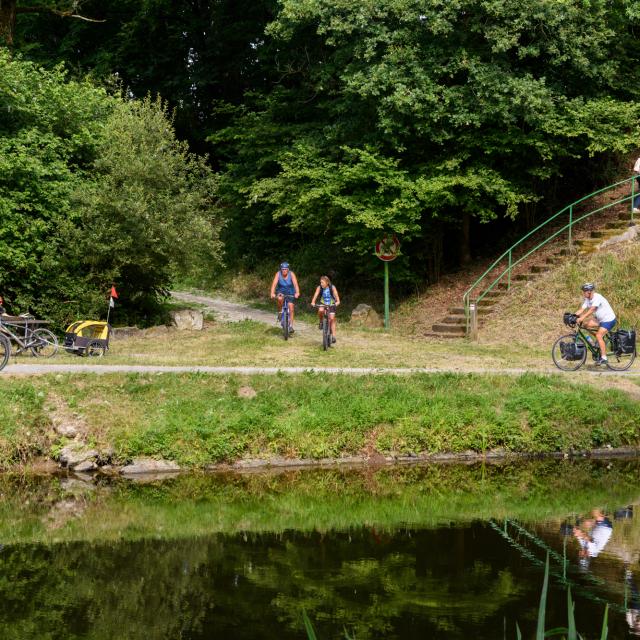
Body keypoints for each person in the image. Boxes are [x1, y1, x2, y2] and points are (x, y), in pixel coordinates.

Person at [575, 283, 616, 366]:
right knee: (586, 325)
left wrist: (582, 318)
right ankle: (596, 343)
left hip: (608, 319)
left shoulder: (597, 297)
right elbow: (582, 309)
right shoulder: (587, 299)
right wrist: (573, 316)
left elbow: (592, 309)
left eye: (584, 291)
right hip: (599, 319)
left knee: (599, 335)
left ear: (589, 292)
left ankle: (604, 358)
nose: (583, 293)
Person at [269, 262, 300, 333]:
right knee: (280, 299)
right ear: (281, 269)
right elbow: (274, 284)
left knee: (291, 307)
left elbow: (295, 284)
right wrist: (272, 293)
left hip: (290, 293)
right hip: (281, 292)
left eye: (285, 269)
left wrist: (297, 292)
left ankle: (291, 326)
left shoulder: (291, 274)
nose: (284, 271)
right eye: (282, 269)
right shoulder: (278, 274)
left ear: (288, 269)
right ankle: (280, 312)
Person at [311, 275, 341, 343]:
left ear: (327, 282)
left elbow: (336, 295)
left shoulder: (332, 287)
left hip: (331, 303)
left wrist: (338, 301)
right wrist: (313, 301)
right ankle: (321, 322)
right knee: (320, 310)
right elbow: (316, 294)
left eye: (322, 282)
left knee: (332, 318)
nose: (321, 284)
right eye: (320, 282)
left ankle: (333, 336)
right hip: (323, 303)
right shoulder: (319, 288)